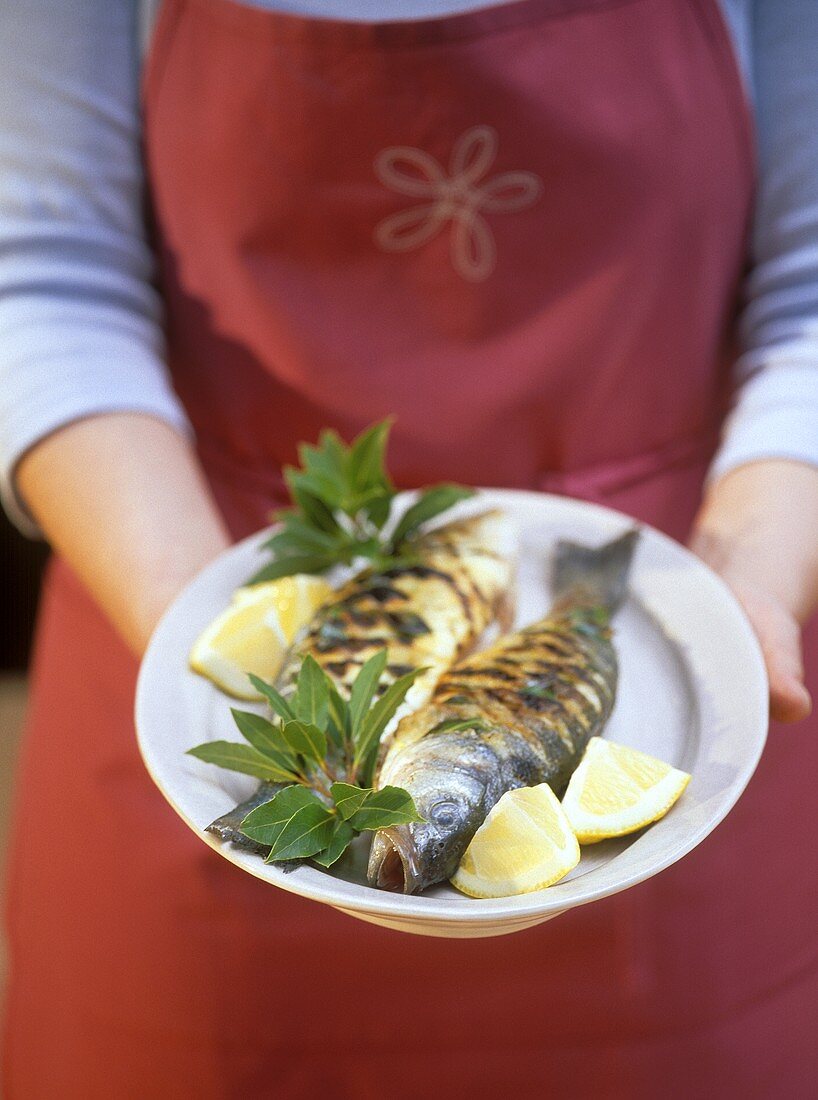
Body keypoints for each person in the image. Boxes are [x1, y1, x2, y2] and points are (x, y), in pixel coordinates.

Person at [2, 0, 817, 1095]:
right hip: (187, 561)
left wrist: (749, 577)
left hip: (674, 573)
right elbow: (39, 270)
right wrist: (205, 630)